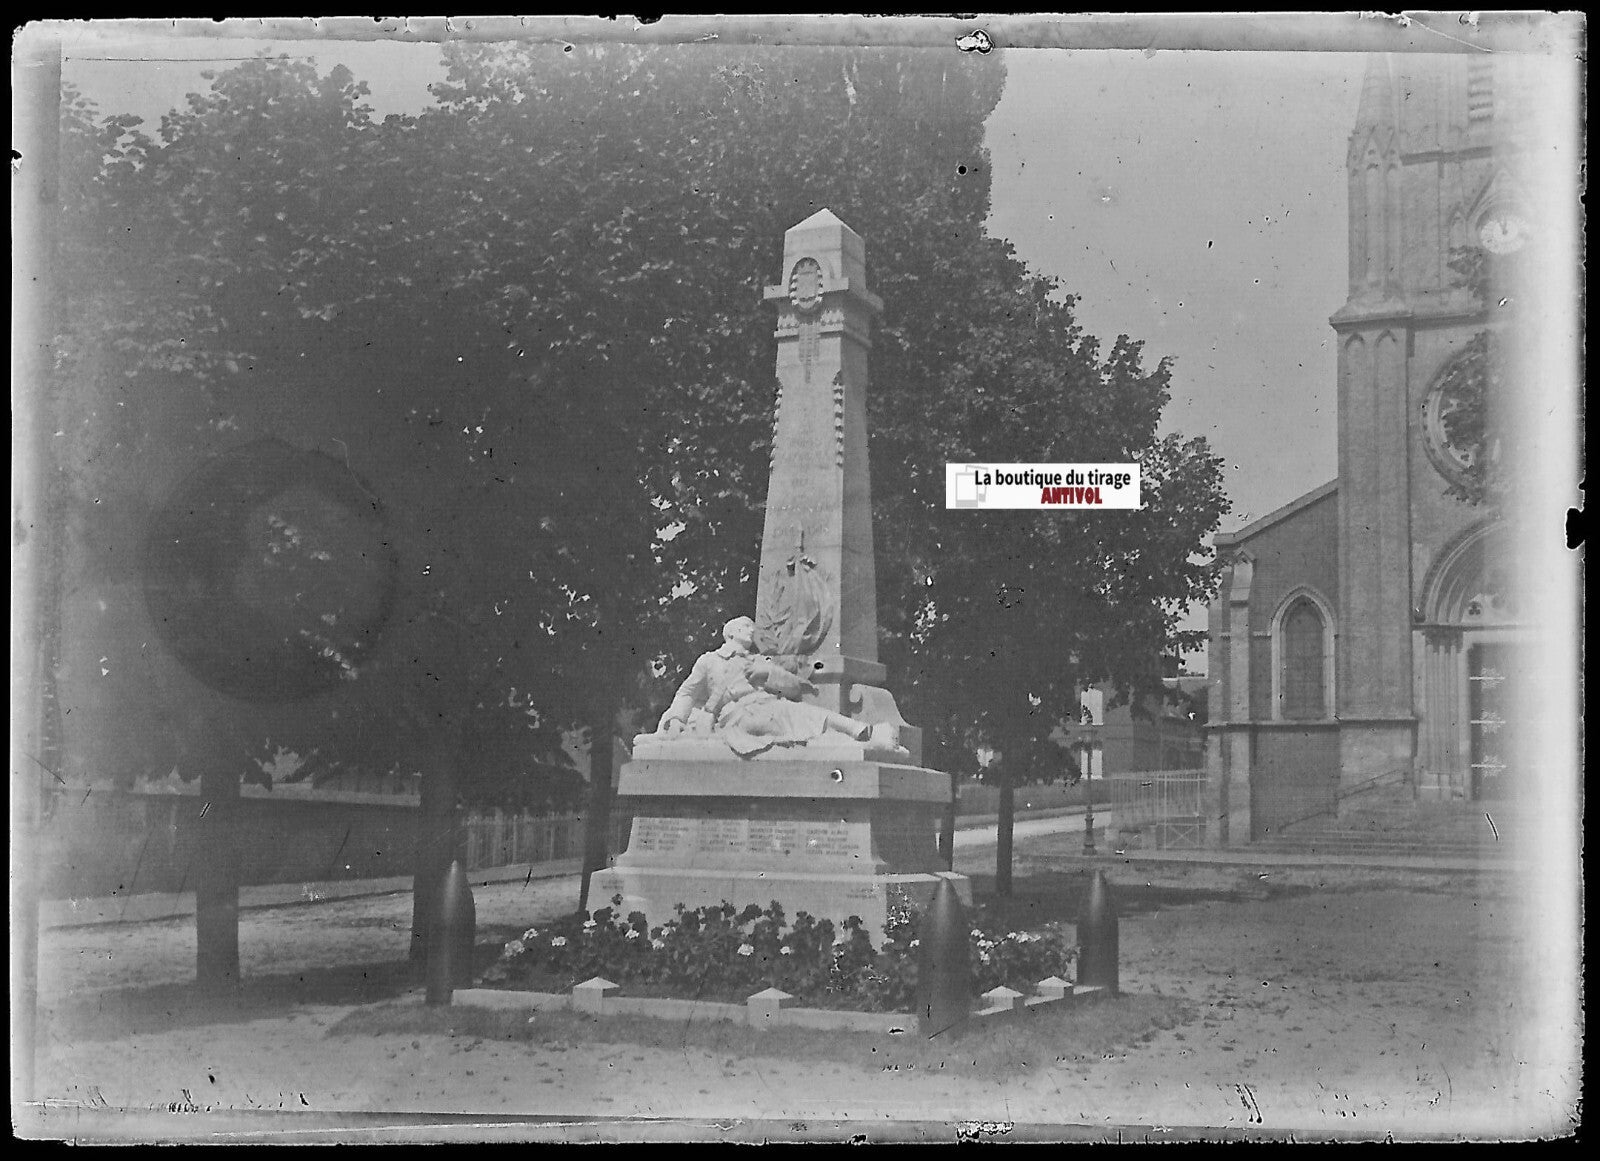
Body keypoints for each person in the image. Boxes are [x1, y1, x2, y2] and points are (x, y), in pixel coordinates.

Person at [656, 616, 899, 756]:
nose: (751, 630)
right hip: (739, 715)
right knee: (802, 719)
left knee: (805, 716)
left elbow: (795, 688)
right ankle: (862, 737)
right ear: (730, 634)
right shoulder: (710, 660)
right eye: (745, 627)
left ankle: (861, 737)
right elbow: (687, 692)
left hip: (767, 707)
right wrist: (676, 719)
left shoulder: (760, 661)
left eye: (752, 626)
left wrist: (768, 673)